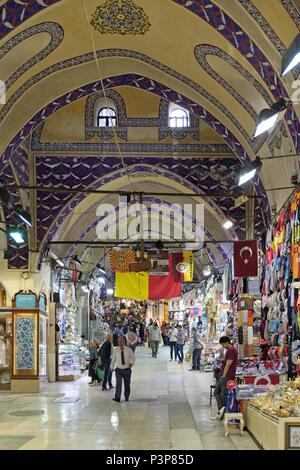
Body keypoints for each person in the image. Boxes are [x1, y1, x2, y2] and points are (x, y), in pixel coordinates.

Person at [212, 336, 238, 420]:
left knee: (223, 394)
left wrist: (223, 376)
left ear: (226, 342)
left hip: (227, 376)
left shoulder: (231, 350)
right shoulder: (229, 350)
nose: (222, 346)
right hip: (224, 375)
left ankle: (222, 413)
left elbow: (228, 364)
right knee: (216, 391)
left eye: (223, 344)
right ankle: (221, 410)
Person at [111, 336, 135, 402]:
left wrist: (131, 363)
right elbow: (113, 360)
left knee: (127, 384)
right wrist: (112, 367)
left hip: (127, 370)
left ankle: (127, 397)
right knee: (118, 383)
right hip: (118, 370)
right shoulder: (116, 350)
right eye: (119, 341)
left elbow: (133, 358)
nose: (120, 343)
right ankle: (117, 397)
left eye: (122, 341)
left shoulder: (129, 350)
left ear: (124, 342)